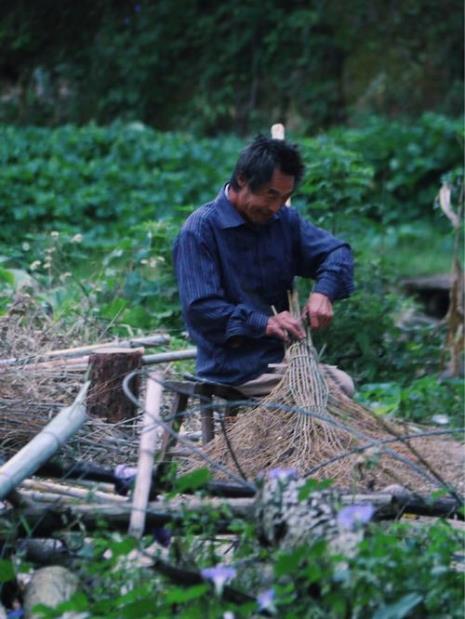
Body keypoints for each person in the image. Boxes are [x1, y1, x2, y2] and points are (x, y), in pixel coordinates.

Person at [173, 135, 354, 398]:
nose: (275, 207)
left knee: (341, 386)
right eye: (270, 195)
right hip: (232, 367)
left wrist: (324, 291)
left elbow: (337, 252)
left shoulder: (283, 220)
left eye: (284, 197)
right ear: (242, 179)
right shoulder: (200, 230)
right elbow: (202, 309)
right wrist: (264, 323)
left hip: (284, 359)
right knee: (325, 391)